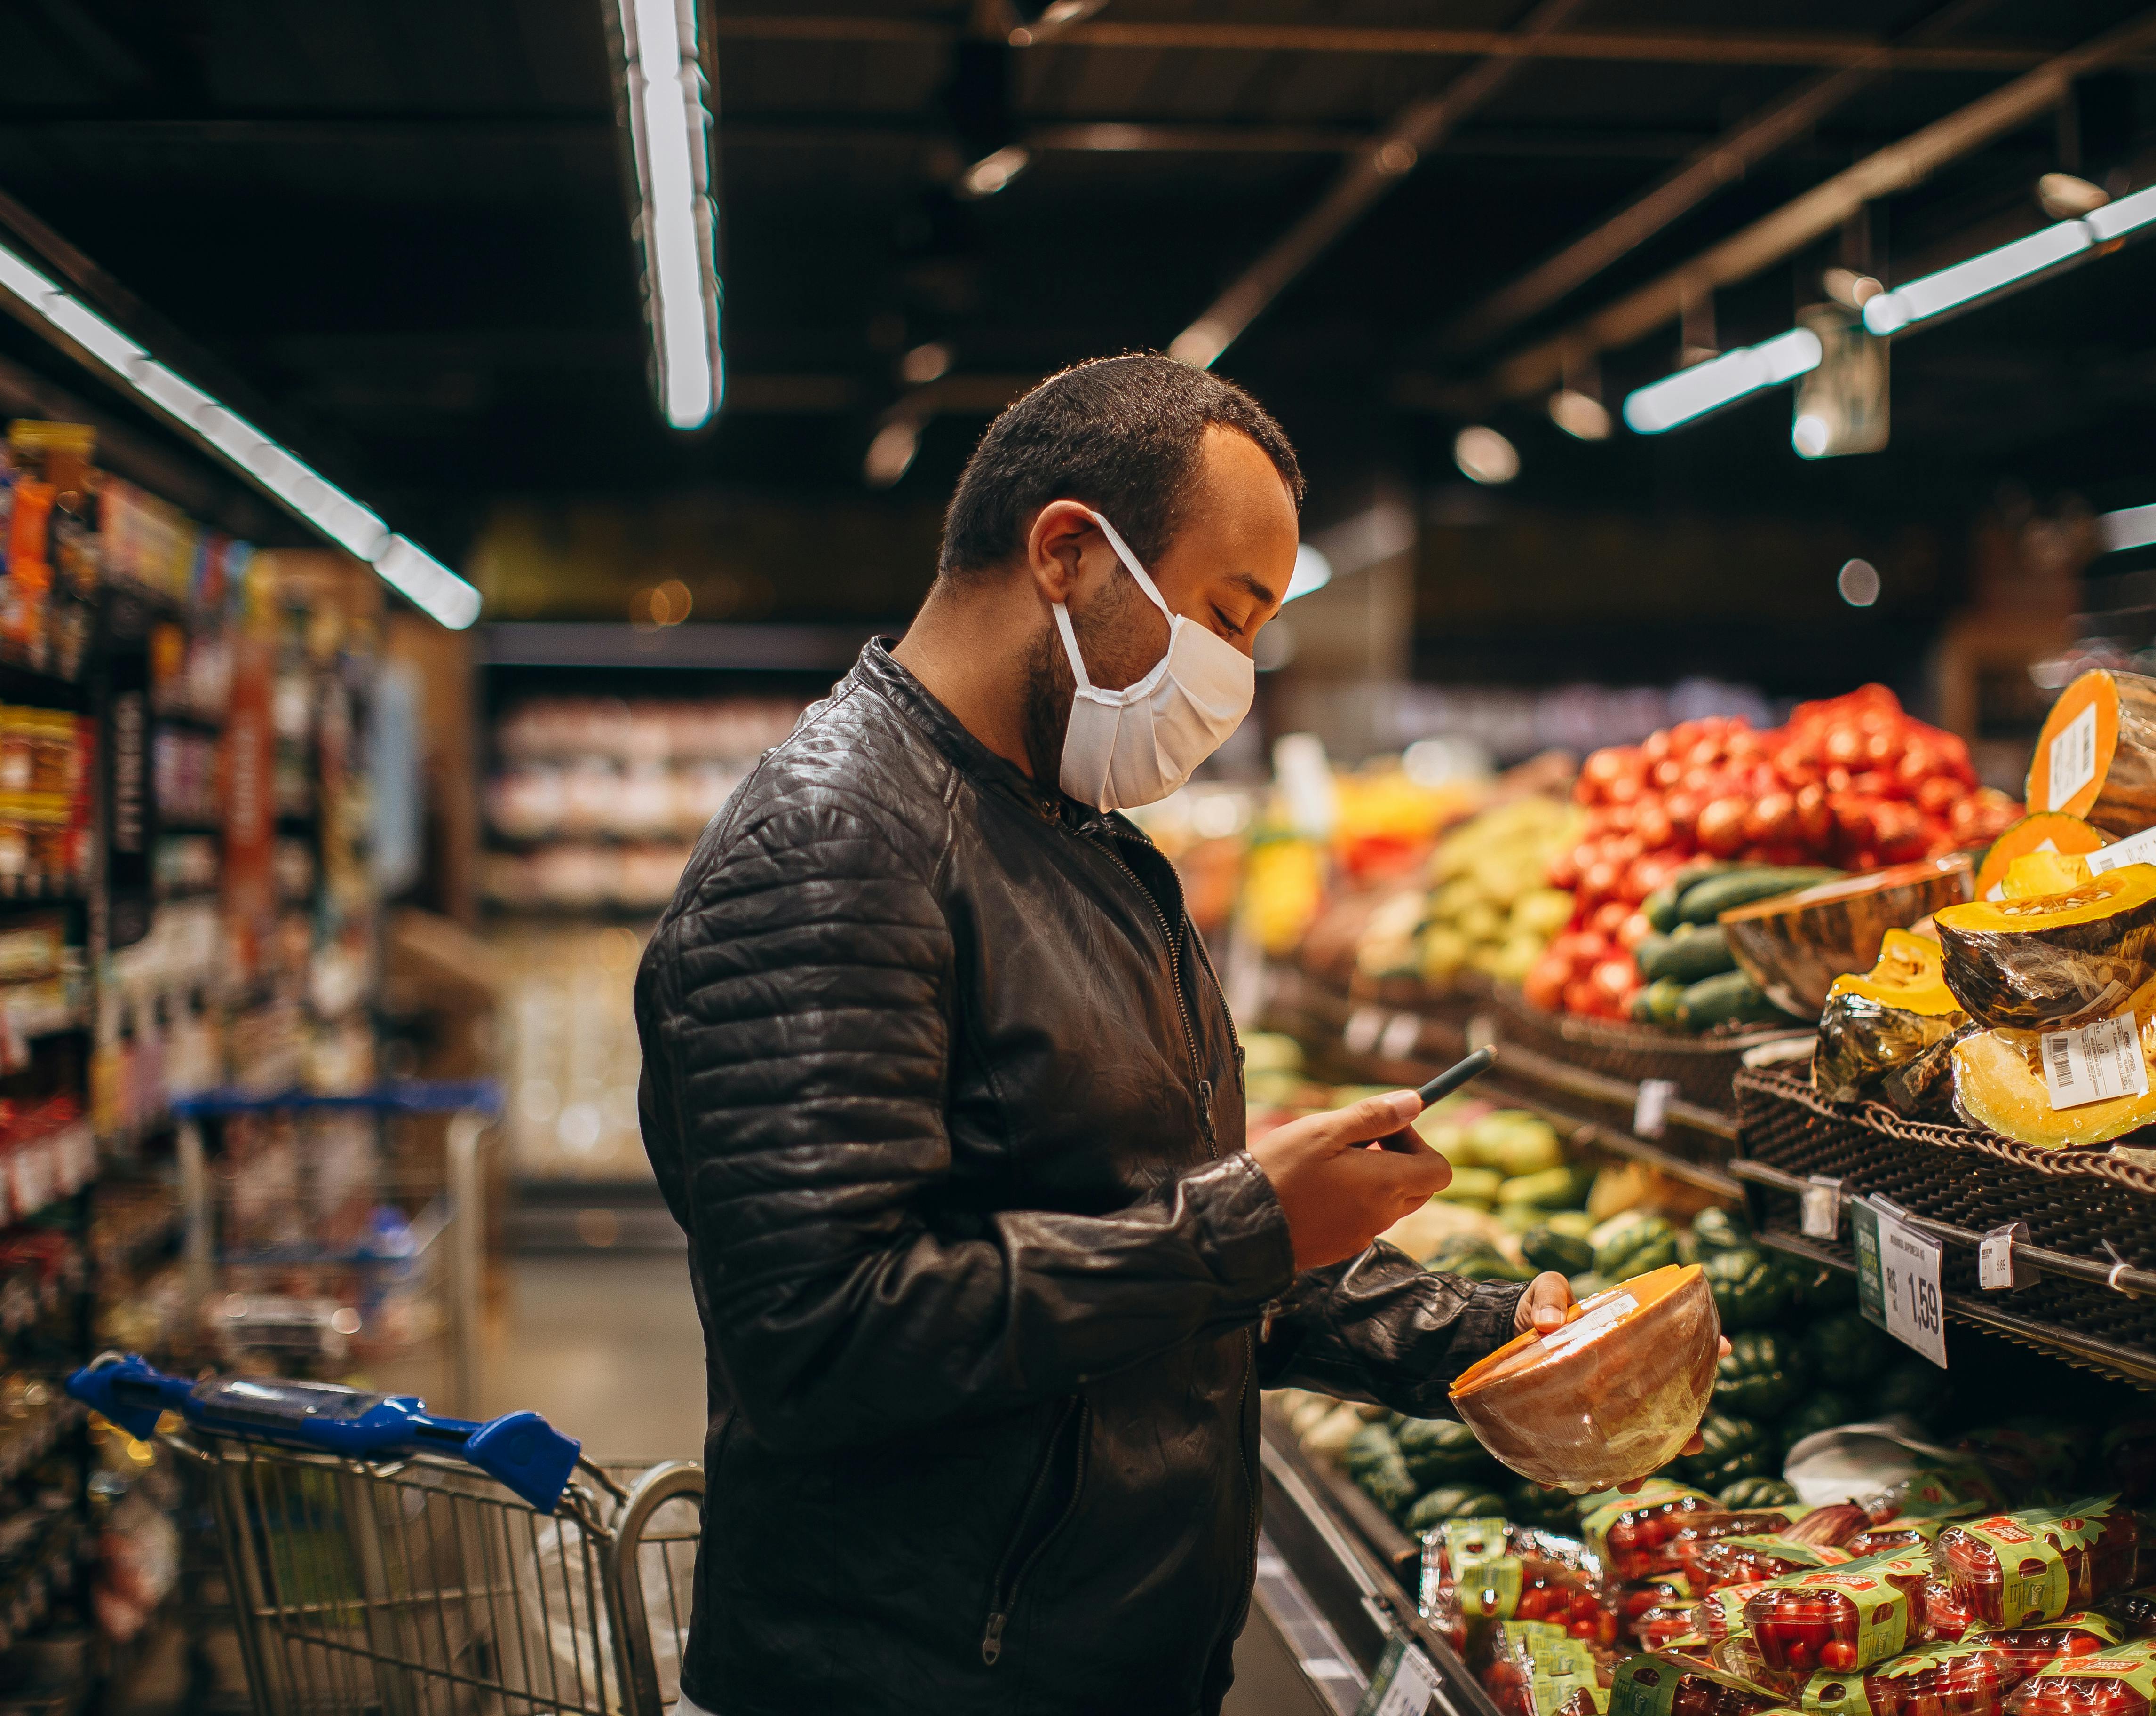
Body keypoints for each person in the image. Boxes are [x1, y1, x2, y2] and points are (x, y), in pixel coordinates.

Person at [636, 355, 1589, 1715]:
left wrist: (1479, 1334)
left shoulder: (1082, 845)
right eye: (1226, 615)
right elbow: (823, 1338)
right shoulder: (830, 849)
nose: (1235, 676)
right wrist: (1246, 1226)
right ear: (1069, 554)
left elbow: (1133, 1238)